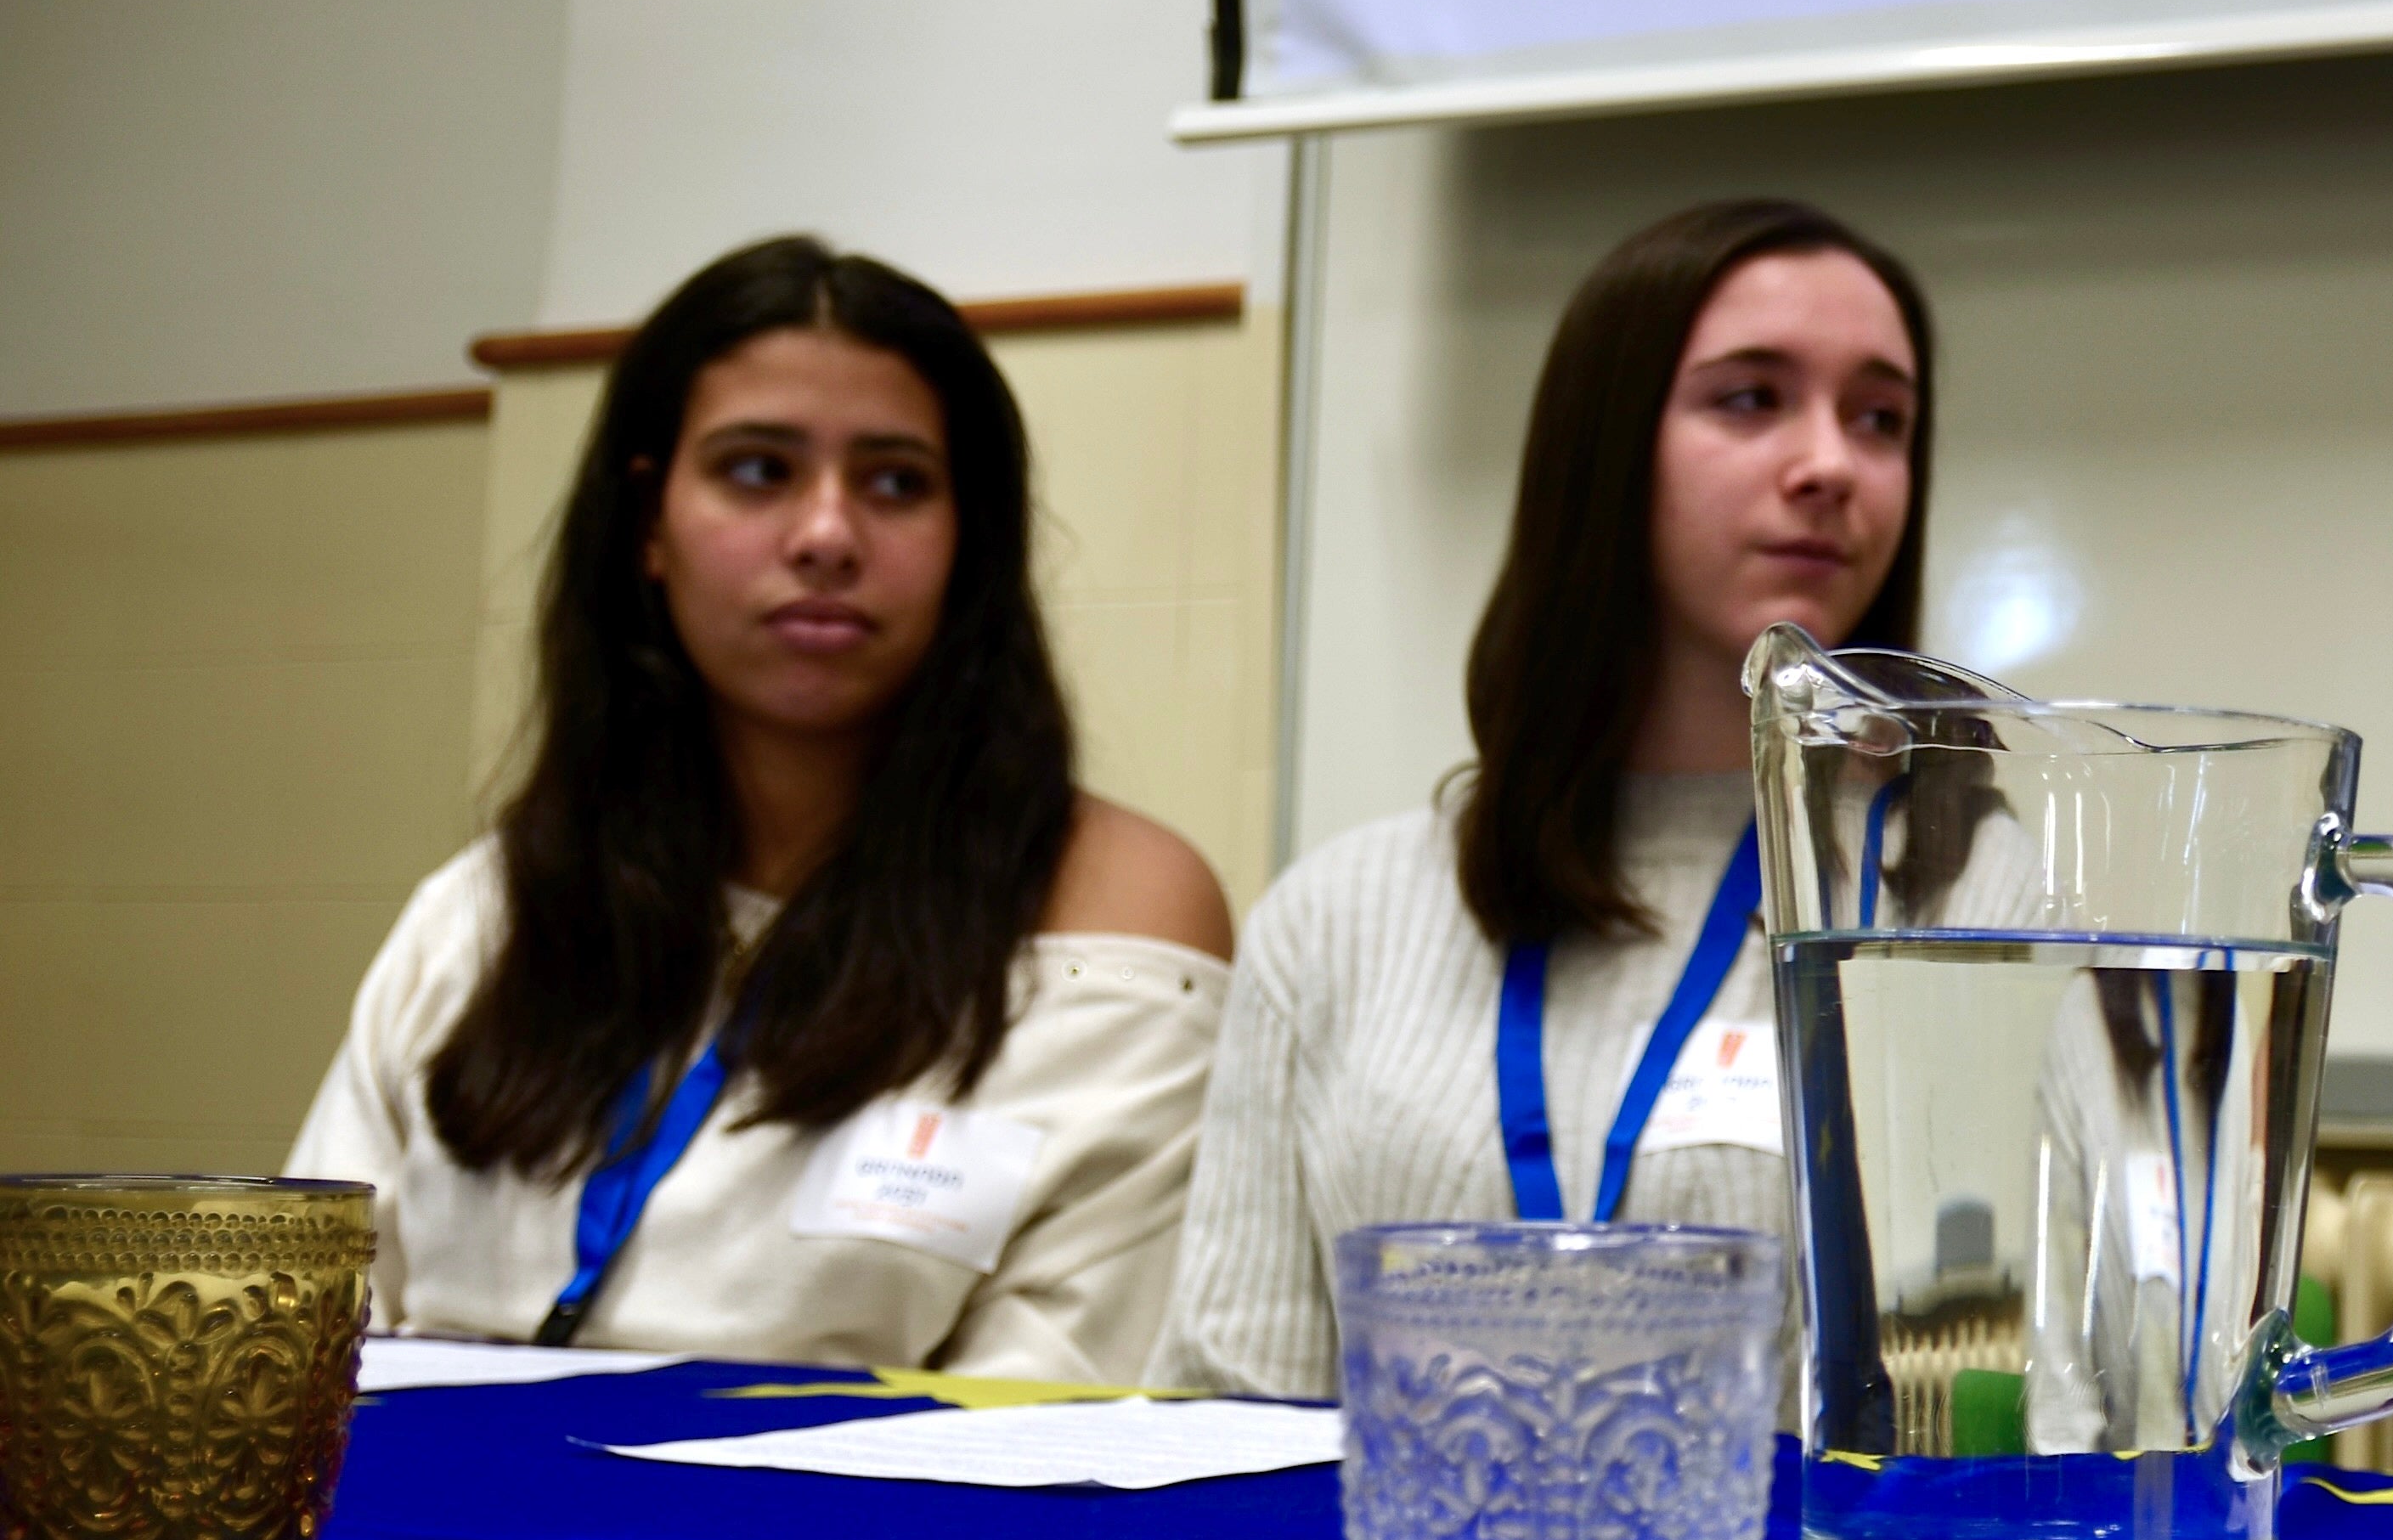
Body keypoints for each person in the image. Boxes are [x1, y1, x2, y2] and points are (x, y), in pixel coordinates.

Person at [292, 237, 1235, 1379]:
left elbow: (1053, 1426)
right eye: (758, 470)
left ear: (968, 538)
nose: (827, 535)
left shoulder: (1112, 926)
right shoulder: (485, 913)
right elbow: (308, 1346)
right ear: (648, 520)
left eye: (895, 482)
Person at [1154, 197, 1933, 1397]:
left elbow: (2071, 1424)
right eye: (1750, 398)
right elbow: (1226, 1413)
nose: (1832, 464)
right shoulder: (1337, 918)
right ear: (1604, 446)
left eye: (1880, 419)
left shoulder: (1982, 903)